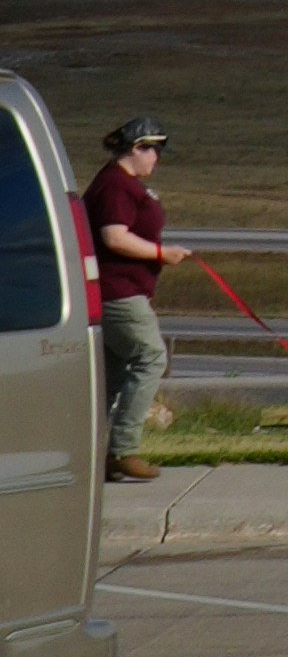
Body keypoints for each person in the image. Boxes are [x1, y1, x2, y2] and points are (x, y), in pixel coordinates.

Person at [85, 114, 170, 479]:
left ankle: (93, 454)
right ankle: (123, 449)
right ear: (136, 148)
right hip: (119, 293)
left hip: (117, 291)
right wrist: (161, 253)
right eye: (152, 150)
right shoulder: (116, 186)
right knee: (151, 357)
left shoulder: (120, 184)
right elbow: (114, 237)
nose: (156, 158)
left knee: (113, 374)